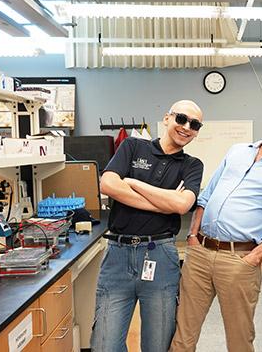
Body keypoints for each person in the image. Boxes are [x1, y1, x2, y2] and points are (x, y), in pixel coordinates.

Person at [169, 100, 262, 352]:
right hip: (200, 252)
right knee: (183, 333)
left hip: (240, 259)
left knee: (239, 339)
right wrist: (192, 235)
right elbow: (207, 195)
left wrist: (252, 259)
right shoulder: (237, 151)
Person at [91, 100, 204, 352]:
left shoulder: (192, 165)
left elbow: (182, 205)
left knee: (158, 345)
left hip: (160, 257)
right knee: (104, 345)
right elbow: (108, 185)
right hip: (117, 256)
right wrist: (164, 202)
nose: (186, 127)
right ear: (167, 118)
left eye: (194, 124)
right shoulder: (133, 146)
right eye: (181, 119)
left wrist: (132, 182)